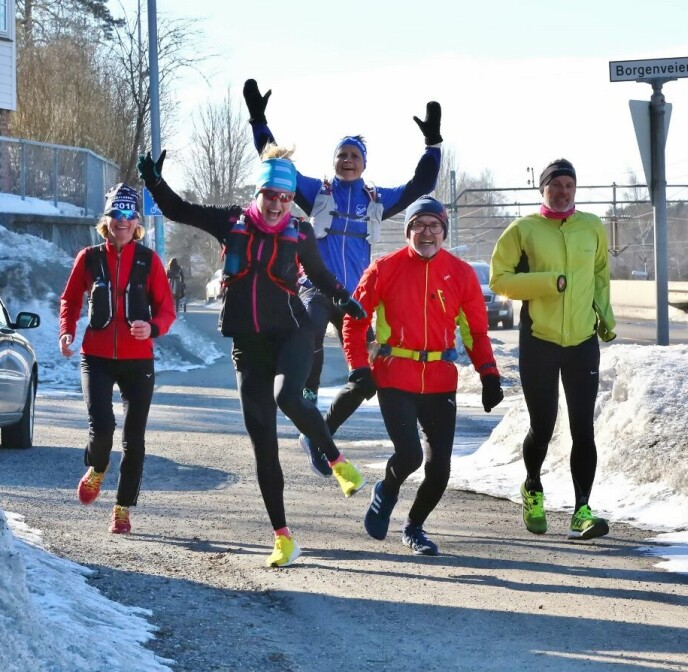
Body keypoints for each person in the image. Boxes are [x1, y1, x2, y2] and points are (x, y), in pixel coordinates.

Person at [137, 144, 368, 568]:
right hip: (248, 344)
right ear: (259, 192)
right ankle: (282, 538)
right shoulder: (232, 221)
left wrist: (344, 298)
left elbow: (318, 274)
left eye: (285, 196)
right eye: (271, 195)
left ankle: (335, 460)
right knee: (263, 443)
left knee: (287, 397)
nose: (279, 204)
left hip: (293, 334)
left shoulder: (299, 231)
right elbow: (178, 209)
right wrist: (153, 180)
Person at [242, 79, 442, 478]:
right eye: (342, 155)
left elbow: (422, 185)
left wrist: (433, 145)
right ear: (334, 161)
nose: (348, 160)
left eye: (354, 156)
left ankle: (320, 432)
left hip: (356, 299)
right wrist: (258, 120)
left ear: (364, 163)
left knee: (367, 378)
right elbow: (277, 165)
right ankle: (306, 404)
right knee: (309, 336)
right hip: (316, 288)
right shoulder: (318, 191)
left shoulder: (376, 199)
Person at [346, 196, 504, 556]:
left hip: (439, 380)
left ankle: (415, 526)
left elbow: (476, 333)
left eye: (434, 225)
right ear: (409, 232)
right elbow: (354, 320)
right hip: (394, 375)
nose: (427, 232)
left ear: (444, 232)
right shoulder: (383, 269)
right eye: (420, 225)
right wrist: (358, 368)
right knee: (409, 455)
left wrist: (489, 374)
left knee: (440, 469)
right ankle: (386, 490)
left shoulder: (461, 273)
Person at [488, 159, 616, 541]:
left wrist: (605, 317)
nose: (563, 192)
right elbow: (499, 279)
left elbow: (599, 275)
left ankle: (582, 510)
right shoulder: (523, 230)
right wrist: (548, 283)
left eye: (569, 185)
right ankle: (532, 487)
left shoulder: (592, 226)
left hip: (582, 342)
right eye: (556, 185)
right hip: (539, 340)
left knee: (583, 429)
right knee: (542, 427)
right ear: (543, 189)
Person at [59, 183, 176, 535]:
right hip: (95, 357)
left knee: (134, 439)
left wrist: (152, 328)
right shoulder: (89, 258)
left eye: (128, 215)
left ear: (137, 222)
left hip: (138, 360)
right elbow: (70, 299)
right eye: (115, 214)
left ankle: (122, 509)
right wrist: (67, 330)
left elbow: (167, 311)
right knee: (102, 429)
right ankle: (96, 468)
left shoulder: (149, 260)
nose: (121, 221)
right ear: (106, 219)